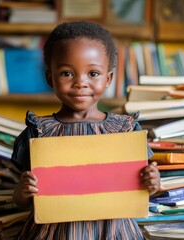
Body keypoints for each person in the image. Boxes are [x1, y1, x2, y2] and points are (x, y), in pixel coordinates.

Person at [11, 20, 160, 240]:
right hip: (53, 233)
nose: (80, 83)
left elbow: (142, 189)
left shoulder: (125, 131)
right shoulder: (38, 132)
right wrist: (23, 191)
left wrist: (153, 182)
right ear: (50, 78)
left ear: (108, 79)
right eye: (66, 74)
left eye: (93, 74)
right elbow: (19, 198)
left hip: (113, 232)